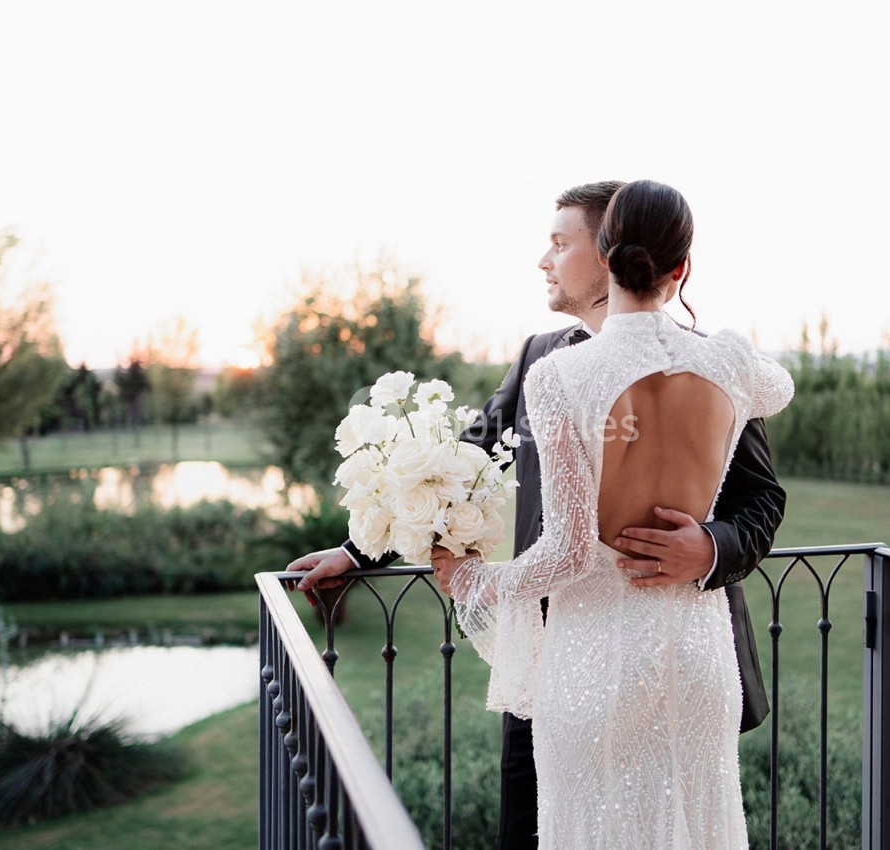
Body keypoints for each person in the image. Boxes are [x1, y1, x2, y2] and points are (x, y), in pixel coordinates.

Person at [288, 180, 785, 849]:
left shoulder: (700, 366)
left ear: (606, 250)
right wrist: (356, 551)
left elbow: (761, 498)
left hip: (671, 646)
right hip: (548, 653)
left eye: (559, 243)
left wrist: (712, 548)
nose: (543, 260)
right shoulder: (543, 357)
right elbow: (459, 467)